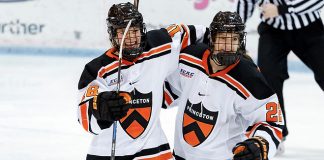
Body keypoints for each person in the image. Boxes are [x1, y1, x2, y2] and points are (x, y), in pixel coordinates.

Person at [77, 2, 207, 159]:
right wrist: (102, 107)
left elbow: (195, 34)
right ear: (112, 34)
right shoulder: (98, 69)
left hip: (154, 148)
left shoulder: (160, 44)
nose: (131, 37)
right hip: (107, 153)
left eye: (134, 30)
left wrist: (230, 51)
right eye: (122, 32)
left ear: (142, 30)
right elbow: (84, 115)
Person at [164, 11, 284, 160]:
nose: (228, 46)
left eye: (234, 39)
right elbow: (166, 92)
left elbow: (272, 122)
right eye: (222, 38)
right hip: (181, 156)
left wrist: (260, 143)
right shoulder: (189, 59)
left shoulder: (249, 78)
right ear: (212, 39)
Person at [237, 0, 324, 146]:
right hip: (273, 29)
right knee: (267, 80)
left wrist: (282, 9)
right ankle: (275, 133)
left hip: (309, 28)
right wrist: (235, 30)